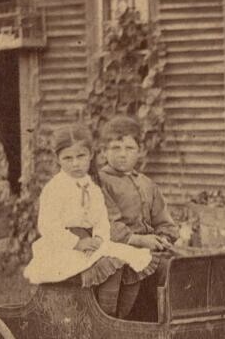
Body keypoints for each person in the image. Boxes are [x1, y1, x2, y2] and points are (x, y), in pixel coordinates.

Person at [22, 125, 152, 313]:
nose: (75, 164)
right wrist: (77, 242)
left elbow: (101, 221)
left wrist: (100, 238)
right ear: (58, 158)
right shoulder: (55, 188)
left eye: (81, 156)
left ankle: (120, 319)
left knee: (135, 260)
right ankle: (105, 319)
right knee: (111, 266)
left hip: (91, 242)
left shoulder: (92, 188)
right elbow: (48, 226)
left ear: (90, 155)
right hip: (62, 247)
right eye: (68, 158)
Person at [93, 115, 177, 318]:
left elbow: (163, 220)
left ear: (140, 151)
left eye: (129, 148)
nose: (123, 155)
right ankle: (132, 321)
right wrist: (139, 240)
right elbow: (107, 223)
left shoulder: (147, 183)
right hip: (120, 247)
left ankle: (173, 321)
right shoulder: (100, 182)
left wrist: (164, 238)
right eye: (116, 148)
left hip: (151, 248)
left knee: (185, 265)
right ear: (104, 152)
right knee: (165, 269)